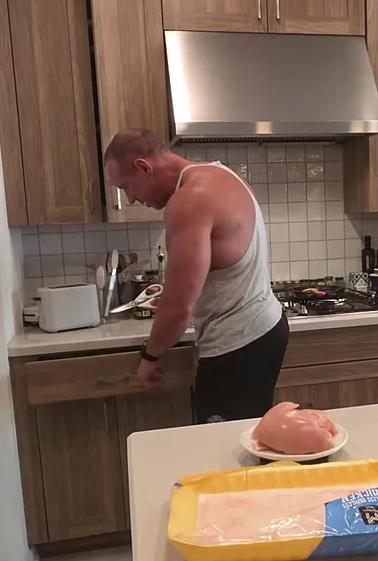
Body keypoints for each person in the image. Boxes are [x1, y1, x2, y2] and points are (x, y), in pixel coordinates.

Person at [102, 129, 288, 423]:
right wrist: (173, 291)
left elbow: (179, 308)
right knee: (247, 435)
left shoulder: (189, 200)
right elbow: (222, 267)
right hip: (264, 330)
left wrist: (150, 356)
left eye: (126, 186)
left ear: (143, 167)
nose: (131, 198)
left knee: (222, 444)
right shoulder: (223, 175)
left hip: (237, 342)